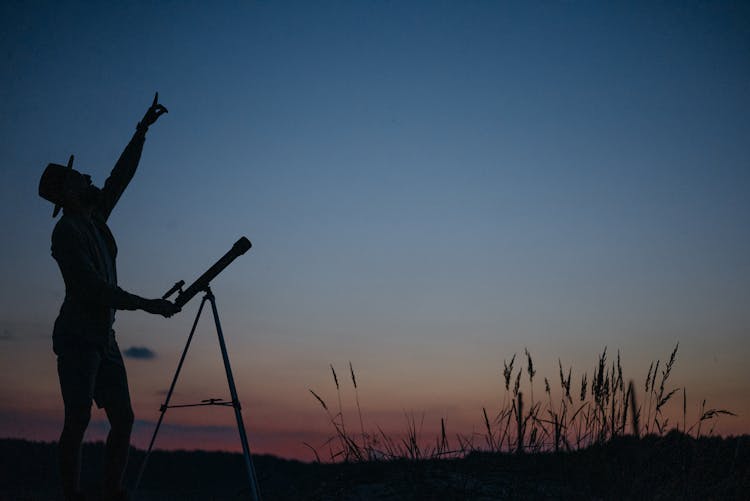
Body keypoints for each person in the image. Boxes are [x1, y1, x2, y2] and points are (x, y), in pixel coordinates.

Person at [38, 94, 181, 501]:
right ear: (67, 193)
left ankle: (112, 491)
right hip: (78, 337)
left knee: (124, 418)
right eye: (78, 176)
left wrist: (141, 132)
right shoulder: (66, 233)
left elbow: (120, 177)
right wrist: (149, 304)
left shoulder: (95, 216)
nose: (87, 176)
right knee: (78, 418)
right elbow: (94, 290)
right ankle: (73, 495)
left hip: (105, 338)